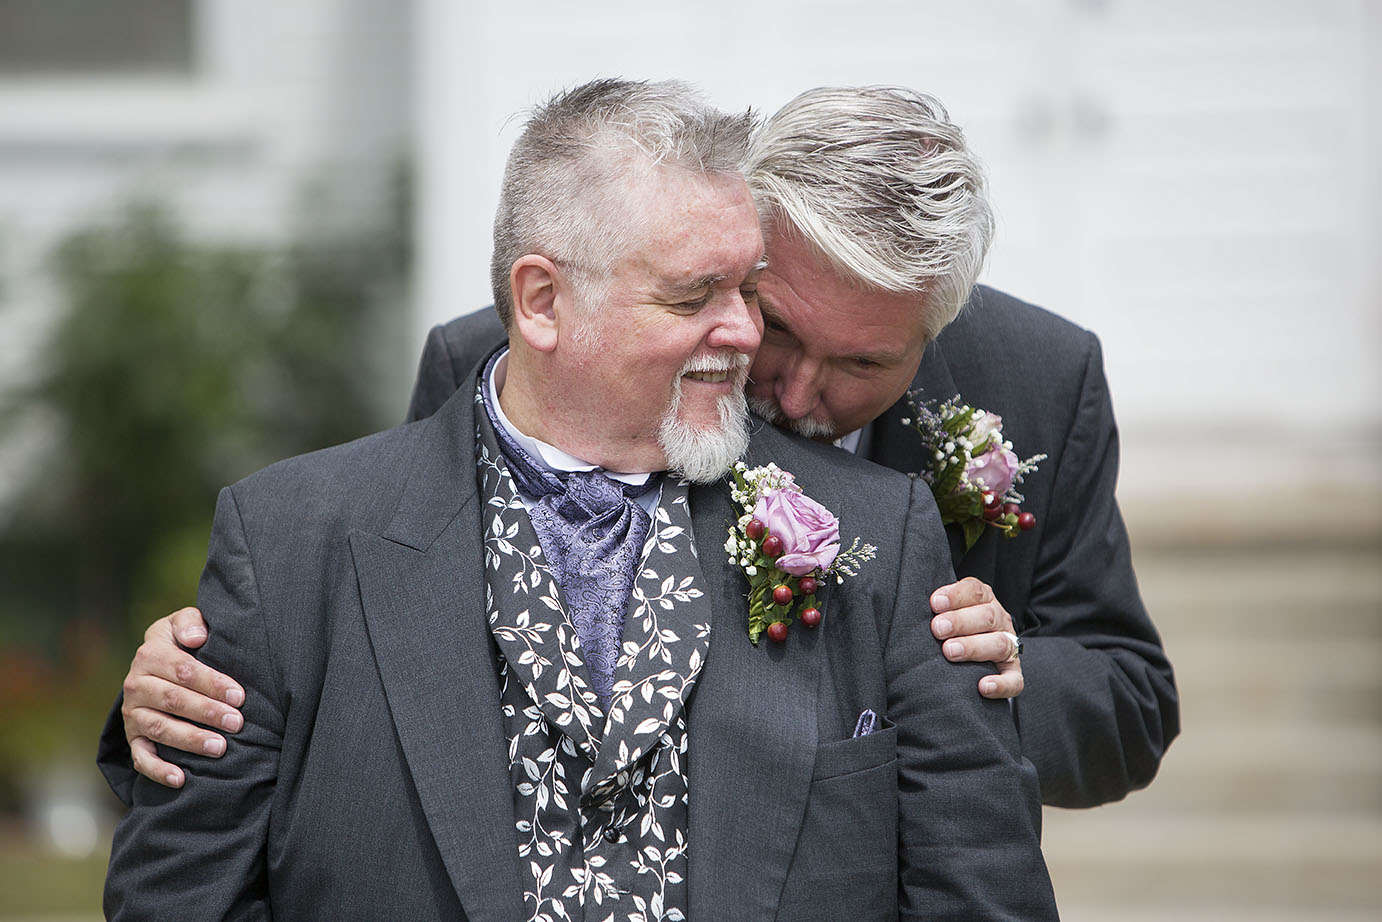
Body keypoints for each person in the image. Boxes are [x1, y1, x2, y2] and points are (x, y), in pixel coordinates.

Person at [103, 78, 1057, 921]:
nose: (742, 331)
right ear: (544, 302)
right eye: (694, 298)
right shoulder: (291, 541)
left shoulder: (876, 535)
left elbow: (980, 888)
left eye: (746, 288)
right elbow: (179, 895)